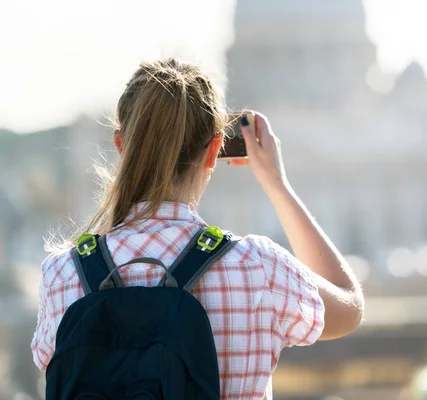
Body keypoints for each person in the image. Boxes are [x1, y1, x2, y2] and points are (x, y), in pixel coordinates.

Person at [31, 58, 364, 399]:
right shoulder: (258, 267)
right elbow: (349, 307)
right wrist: (277, 184)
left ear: (121, 145)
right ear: (213, 150)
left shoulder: (62, 274)